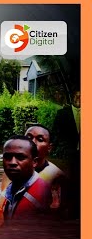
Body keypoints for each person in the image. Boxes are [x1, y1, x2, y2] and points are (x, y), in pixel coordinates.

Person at [0, 126, 66, 228]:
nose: (33, 142)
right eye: (29, 137)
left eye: (40, 140)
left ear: (49, 147)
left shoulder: (57, 178)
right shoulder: (10, 172)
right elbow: (1, 205)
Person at [52, 89, 80, 219]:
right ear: (73, 97)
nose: (79, 98)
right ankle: (67, 210)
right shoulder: (63, 114)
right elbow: (56, 134)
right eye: (77, 95)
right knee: (67, 182)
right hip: (68, 154)